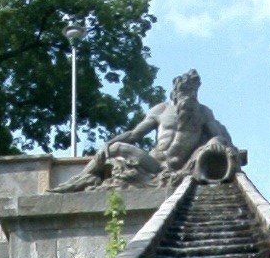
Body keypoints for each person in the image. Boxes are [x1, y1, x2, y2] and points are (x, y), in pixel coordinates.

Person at [59, 69, 240, 191]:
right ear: (175, 92)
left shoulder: (203, 112)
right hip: (154, 164)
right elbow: (134, 135)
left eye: (193, 91)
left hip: (182, 166)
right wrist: (109, 142)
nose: (190, 94)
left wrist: (215, 141)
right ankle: (82, 179)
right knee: (114, 148)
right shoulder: (160, 110)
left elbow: (218, 135)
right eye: (185, 90)